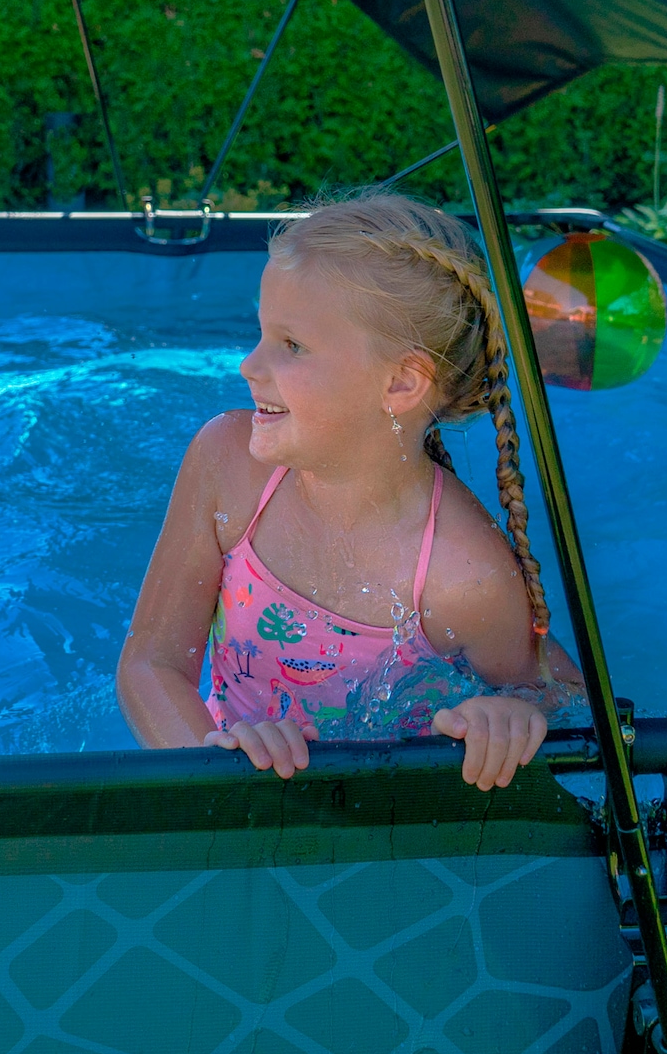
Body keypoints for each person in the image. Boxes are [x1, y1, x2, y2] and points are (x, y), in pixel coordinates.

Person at [119, 191, 580, 790]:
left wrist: (515, 716)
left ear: (400, 382)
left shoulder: (461, 574)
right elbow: (150, 663)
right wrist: (217, 765)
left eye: (291, 346)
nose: (247, 366)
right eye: (261, 334)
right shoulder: (226, 466)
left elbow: (566, 698)